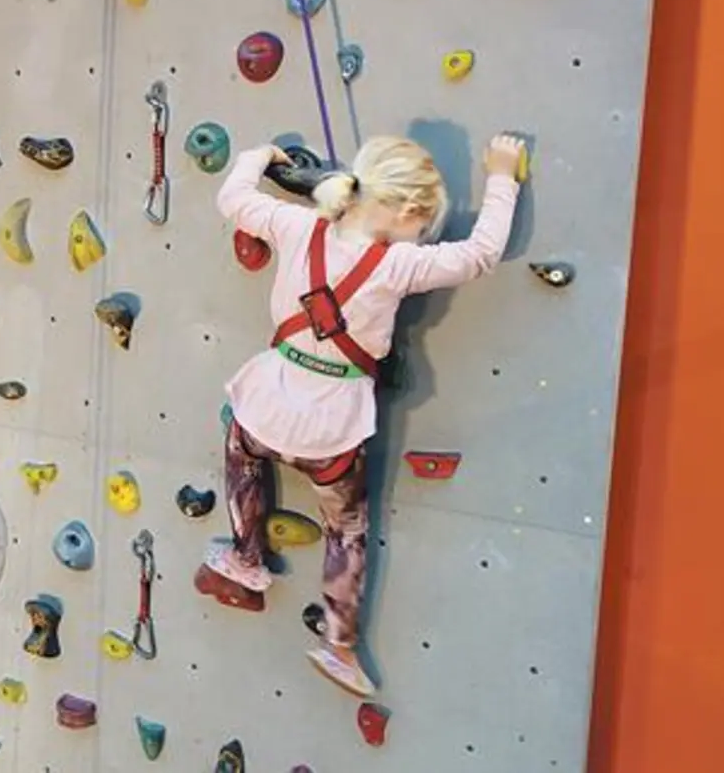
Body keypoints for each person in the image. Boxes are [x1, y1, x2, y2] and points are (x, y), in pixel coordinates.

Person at [211, 133, 526, 696]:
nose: (424, 234)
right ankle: (338, 647)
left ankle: (245, 558)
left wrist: (261, 157)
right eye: (424, 224)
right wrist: (503, 176)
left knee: (241, 454)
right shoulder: (399, 265)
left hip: (267, 405)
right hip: (332, 432)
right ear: (408, 211)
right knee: (345, 532)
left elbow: (233, 198)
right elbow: (481, 254)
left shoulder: (296, 226)